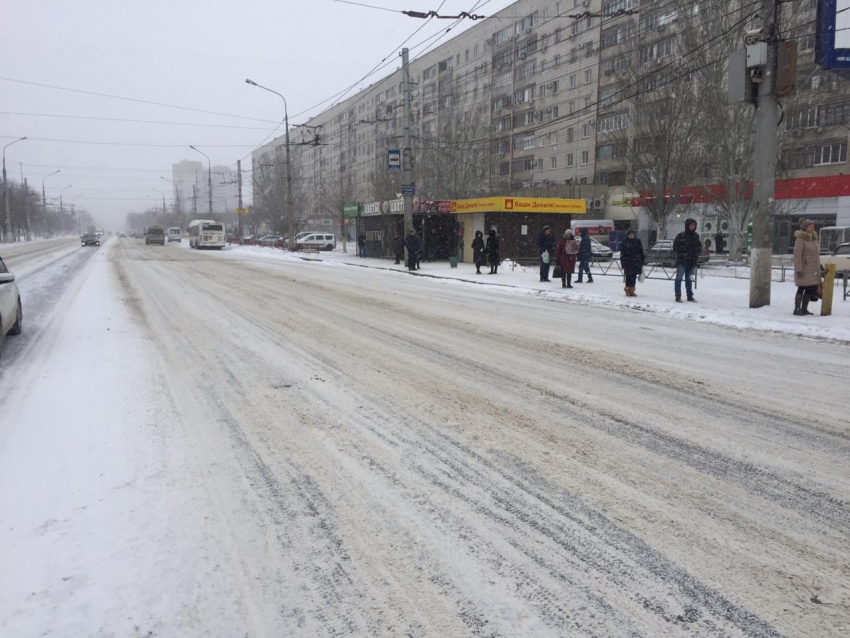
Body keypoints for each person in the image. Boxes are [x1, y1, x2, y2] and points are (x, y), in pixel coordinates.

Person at [793, 218, 821, 316]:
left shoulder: (813, 238)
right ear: (805, 228)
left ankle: (805, 309)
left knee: (810, 288)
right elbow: (797, 255)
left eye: (813, 226)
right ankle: (797, 309)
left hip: (813, 269)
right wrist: (799, 269)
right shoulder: (800, 239)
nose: (812, 228)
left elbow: (816, 255)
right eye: (810, 226)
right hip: (804, 268)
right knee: (801, 288)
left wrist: (819, 266)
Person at [673, 218, 702, 302]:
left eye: (694, 225)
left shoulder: (696, 236)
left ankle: (690, 295)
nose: (693, 227)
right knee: (679, 279)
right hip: (682, 261)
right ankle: (678, 295)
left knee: (689, 279)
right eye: (691, 225)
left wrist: (696, 251)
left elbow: (699, 247)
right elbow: (675, 247)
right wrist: (684, 250)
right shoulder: (681, 235)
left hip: (692, 262)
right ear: (687, 225)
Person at [620, 229, 645, 297]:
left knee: (633, 277)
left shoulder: (637, 241)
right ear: (628, 235)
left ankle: (632, 290)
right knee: (628, 276)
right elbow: (622, 253)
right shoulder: (625, 242)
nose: (631, 235)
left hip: (635, 262)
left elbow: (641, 251)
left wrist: (642, 261)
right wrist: (623, 263)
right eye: (630, 234)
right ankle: (627, 290)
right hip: (628, 262)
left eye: (632, 234)